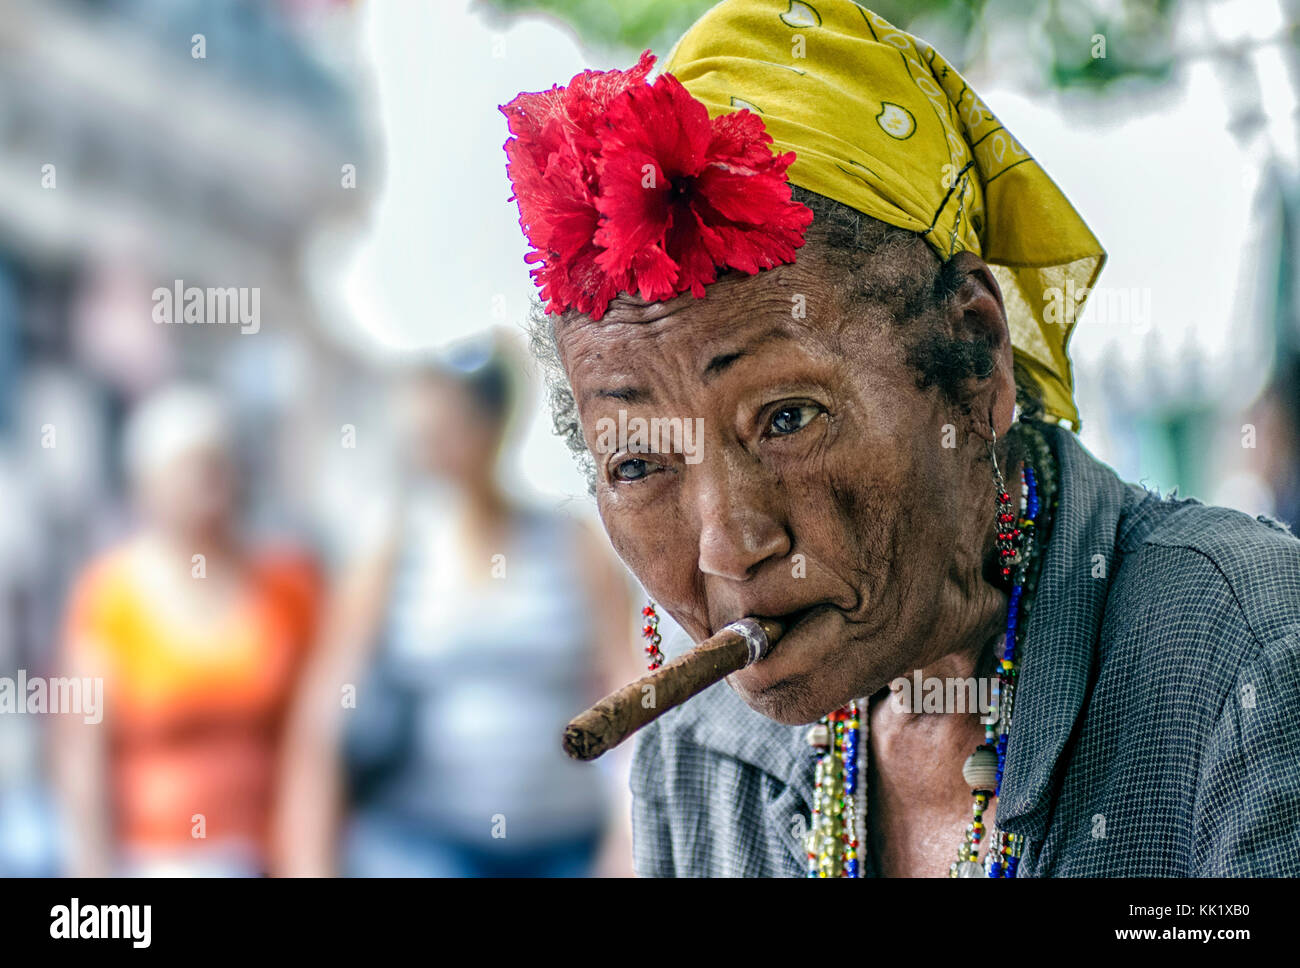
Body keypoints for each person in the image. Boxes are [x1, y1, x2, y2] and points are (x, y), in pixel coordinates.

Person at [502, 0, 1300, 876]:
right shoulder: (698, 755)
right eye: (640, 462)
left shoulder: (1252, 663)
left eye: (788, 418)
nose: (730, 546)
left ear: (979, 351)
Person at [274, 334, 640, 877]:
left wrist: (627, 840)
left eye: (453, 418)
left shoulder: (571, 544)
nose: (434, 437)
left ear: (492, 424)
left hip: (562, 844)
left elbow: (630, 696)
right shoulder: (391, 552)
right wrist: (308, 863)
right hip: (422, 844)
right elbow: (325, 723)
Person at [52, 384, 320, 877]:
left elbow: (316, 738)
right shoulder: (111, 596)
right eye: (189, 470)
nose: (208, 486)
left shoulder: (287, 588)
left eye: (217, 467)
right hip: (158, 857)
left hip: (268, 852)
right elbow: (81, 757)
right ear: (148, 485)